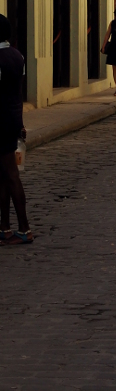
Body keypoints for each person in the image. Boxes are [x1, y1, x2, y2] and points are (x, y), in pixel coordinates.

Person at [0, 15, 32, 244]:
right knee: (4, 175)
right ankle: (5, 227)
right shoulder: (17, 55)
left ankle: (23, 228)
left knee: (10, 175)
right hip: (11, 119)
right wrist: (19, 122)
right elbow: (17, 94)